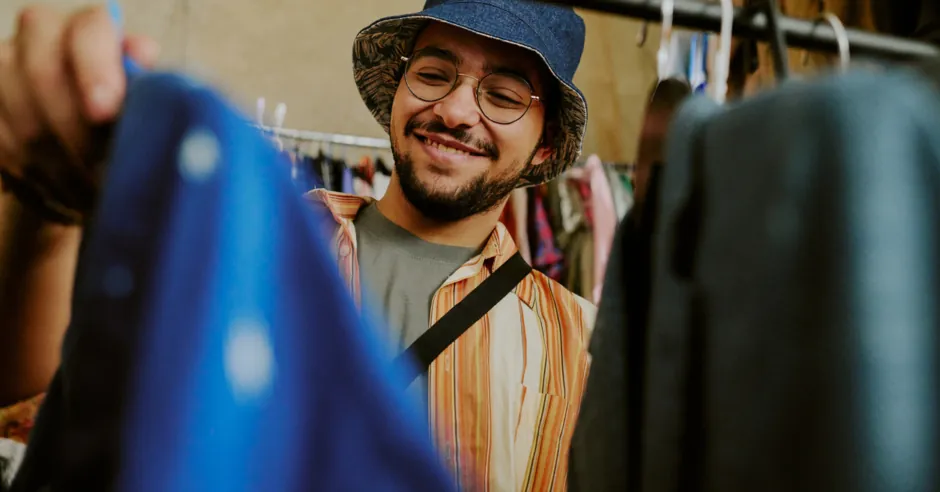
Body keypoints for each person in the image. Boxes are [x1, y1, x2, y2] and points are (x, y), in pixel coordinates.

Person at [0, 0, 596, 490]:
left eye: (505, 95)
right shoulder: (243, 245)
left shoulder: (583, 344)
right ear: (398, 90)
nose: (457, 111)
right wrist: (44, 206)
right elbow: (40, 408)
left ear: (545, 146)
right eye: (434, 74)